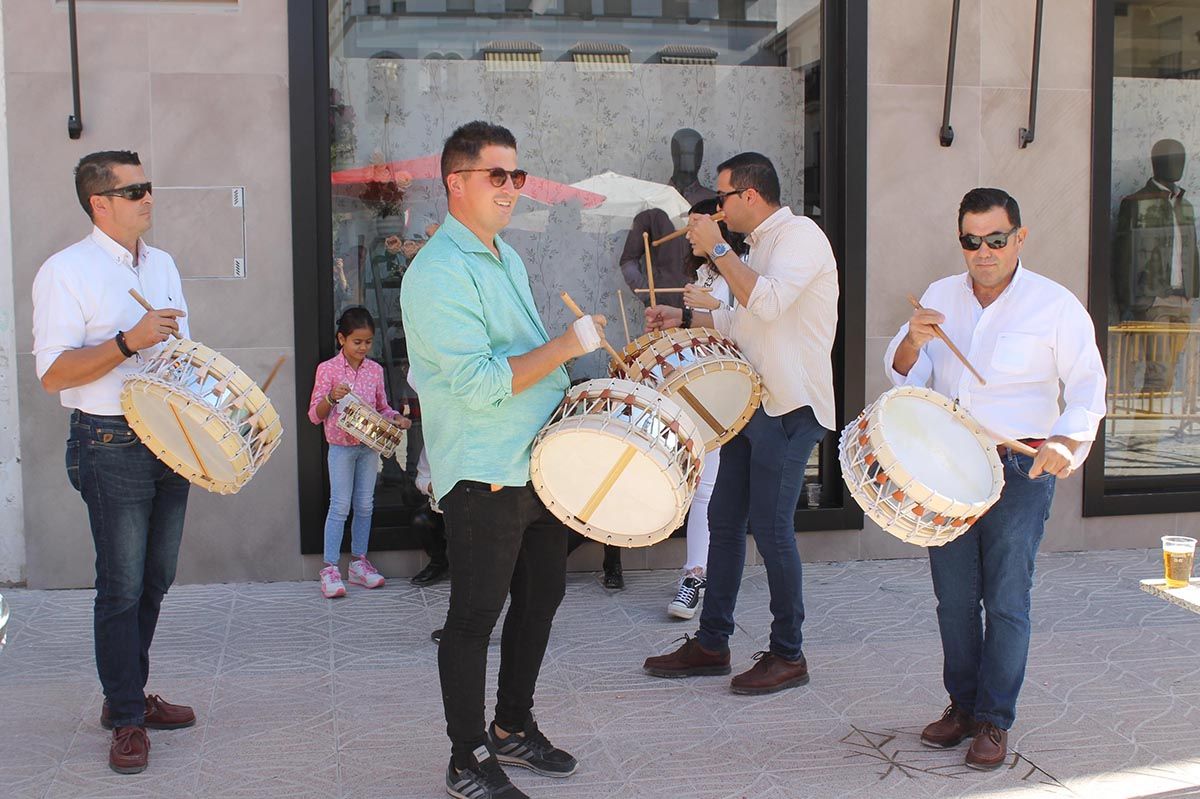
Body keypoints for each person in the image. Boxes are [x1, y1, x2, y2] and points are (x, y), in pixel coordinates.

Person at [401, 121, 606, 799]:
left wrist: (575, 388)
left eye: (517, 176)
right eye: (498, 176)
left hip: (533, 461)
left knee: (542, 594)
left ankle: (512, 723)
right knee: (473, 617)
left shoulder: (505, 257)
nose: (512, 188)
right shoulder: (436, 273)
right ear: (456, 183)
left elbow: (526, 364)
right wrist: (566, 347)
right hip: (484, 471)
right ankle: (466, 757)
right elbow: (483, 382)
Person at [885, 187, 1106, 770]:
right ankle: (961, 706)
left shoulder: (1055, 305)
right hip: (949, 463)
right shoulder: (939, 296)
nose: (983, 252)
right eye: (971, 241)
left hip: (1021, 465)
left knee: (1006, 599)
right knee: (953, 599)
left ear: (1020, 238)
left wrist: (1064, 441)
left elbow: (1088, 387)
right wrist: (911, 339)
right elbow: (903, 372)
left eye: (996, 239)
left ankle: (993, 720)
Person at [642, 152, 838, 695]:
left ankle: (788, 654)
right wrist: (683, 318)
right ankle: (712, 642)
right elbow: (741, 321)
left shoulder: (801, 237)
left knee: (772, 531)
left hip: (791, 408)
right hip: (753, 405)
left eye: (723, 198)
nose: (719, 210)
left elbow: (767, 304)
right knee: (726, 524)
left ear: (750, 196)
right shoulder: (758, 247)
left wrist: (719, 248)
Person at [32, 150, 196, 774]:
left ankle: (126, 694)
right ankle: (126, 713)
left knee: (157, 578)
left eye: (149, 187)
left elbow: (180, 347)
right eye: (135, 191)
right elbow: (52, 375)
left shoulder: (164, 265)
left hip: (169, 437)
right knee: (121, 586)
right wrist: (129, 340)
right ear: (100, 203)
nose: (149, 198)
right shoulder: (65, 271)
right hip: (108, 439)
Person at [665, 198, 744, 620]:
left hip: (728, 391)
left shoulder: (740, 268)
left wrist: (700, 310)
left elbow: (747, 322)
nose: (689, 233)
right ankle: (698, 575)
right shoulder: (704, 273)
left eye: (696, 225)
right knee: (701, 487)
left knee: (708, 489)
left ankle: (696, 577)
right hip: (701, 387)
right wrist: (677, 320)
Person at [308, 306, 411, 598]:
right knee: (339, 506)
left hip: (368, 448)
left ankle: (358, 563)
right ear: (342, 339)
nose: (363, 347)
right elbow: (314, 415)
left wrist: (396, 419)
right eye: (357, 342)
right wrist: (331, 397)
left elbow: (382, 408)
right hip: (340, 448)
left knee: (365, 505)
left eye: (367, 342)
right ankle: (329, 568)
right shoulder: (327, 370)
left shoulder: (375, 371)